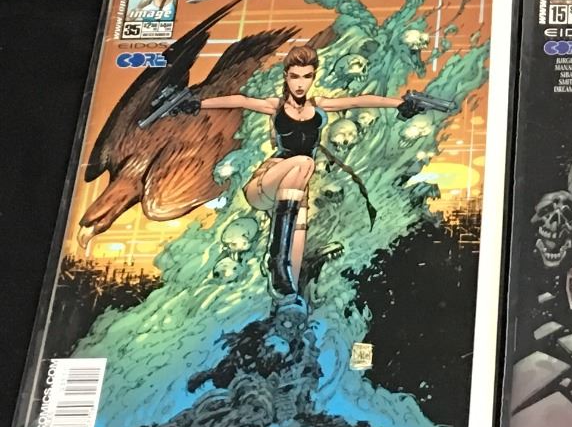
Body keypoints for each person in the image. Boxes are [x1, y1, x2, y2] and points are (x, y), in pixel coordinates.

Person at [170, 40, 428, 296]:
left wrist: (399, 104)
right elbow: (241, 100)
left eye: (307, 76)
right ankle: (275, 257)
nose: (301, 83)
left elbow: (360, 101)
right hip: (266, 184)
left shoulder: (318, 105)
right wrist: (198, 103)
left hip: (296, 190)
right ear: (287, 77)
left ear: (313, 77)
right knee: (304, 162)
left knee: (292, 265)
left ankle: (285, 289)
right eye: (295, 76)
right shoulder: (276, 106)